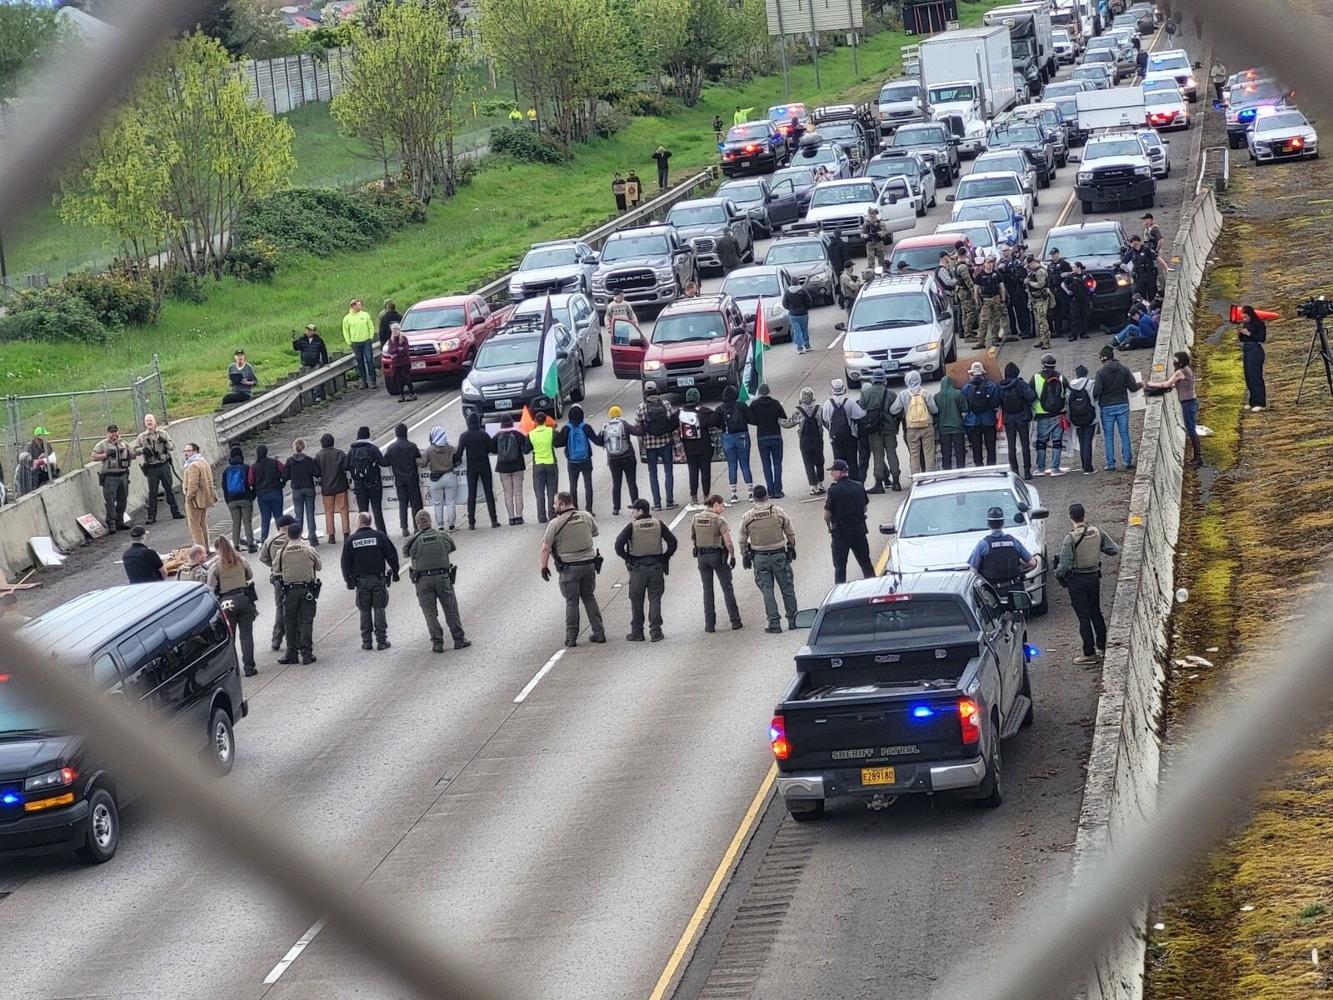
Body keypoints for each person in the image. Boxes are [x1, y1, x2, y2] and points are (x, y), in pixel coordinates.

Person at [1054, 503, 1120, 664]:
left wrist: (1057, 574)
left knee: (1083, 617)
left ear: (1071, 517)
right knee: (1096, 612)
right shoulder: (1097, 532)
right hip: (1093, 578)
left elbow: (1064, 565)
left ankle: (1089, 653)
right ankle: (1102, 646)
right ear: (1084, 515)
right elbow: (1113, 550)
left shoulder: (1070, 538)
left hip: (1077, 580)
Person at [539, 491, 606, 648]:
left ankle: (571, 637)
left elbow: (545, 548)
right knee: (589, 597)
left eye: (555, 503)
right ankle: (599, 632)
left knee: (572, 602)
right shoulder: (586, 516)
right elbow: (595, 533)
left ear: (562, 504)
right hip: (589, 564)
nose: (554, 506)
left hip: (569, 568)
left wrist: (544, 566)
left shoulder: (555, 523)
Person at [403, 510, 470, 653]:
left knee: (430, 613)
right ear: (430, 521)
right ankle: (458, 639)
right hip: (442, 578)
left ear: (417, 524)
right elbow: (451, 548)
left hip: (422, 581)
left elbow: (405, 552)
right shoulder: (442, 536)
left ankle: (437, 642)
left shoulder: (413, 541)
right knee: (451, 609)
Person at [614, 498, 678, 642]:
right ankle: (656, 631)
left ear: (640, 511)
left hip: (638, 568)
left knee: (637, 600)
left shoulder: (632, 526)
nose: (632, 513)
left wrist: (628, 558)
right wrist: (664, 557)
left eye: (634, 510)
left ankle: (637, 632)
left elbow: (618, 545)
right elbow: (672, 542)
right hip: (656, 566)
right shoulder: (658, 524)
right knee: (655, 599)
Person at [739, 485, 798, 634]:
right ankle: (793, 620)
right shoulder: (777, 512)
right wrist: (791, 546)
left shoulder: (748, 516)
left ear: (753, 497)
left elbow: (742, 538)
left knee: (767, 591)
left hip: (760, 557)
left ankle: (774, 622)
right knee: (787, 588)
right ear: (766, 496)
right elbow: (790, 531)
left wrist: (744, 554)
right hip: (779, 555)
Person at [342, 511, 400, 651]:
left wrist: (348, 581)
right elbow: (391, 554)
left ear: (359, 522)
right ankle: (381, 641)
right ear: (370, 522)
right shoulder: (379, 536)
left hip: (361, 581)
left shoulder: (351, 540)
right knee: (379, 608)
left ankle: (366, 641)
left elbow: (345, 563)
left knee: (364, 610)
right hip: (378, 579)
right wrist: (395, 572)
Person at [208, 536, 258, 677]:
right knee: (247, 635)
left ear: (217, 549)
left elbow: (210, 587)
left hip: (227, 603)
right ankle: (249, 667)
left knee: (230, 638)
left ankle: (233, 670)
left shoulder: (215, 566)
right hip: (244, 599)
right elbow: (250, 576)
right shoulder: (241, 560)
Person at [691, 495, 742, 632]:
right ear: (715, 505)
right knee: (727, 588)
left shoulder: (696, 518)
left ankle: (710, 625)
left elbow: (693, 537)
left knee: (707, 591)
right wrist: (732, 556)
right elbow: (728, 541)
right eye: (722, 505)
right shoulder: (719, 520)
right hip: (717, 556)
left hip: (702, 557)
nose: (723, 508)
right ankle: (735, 621)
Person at [274, 523, 321, 665]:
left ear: (288, 534)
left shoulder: (282, 552)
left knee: (290, 623)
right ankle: (307, 654)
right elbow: (319, 566)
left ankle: (292, 654)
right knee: (306, 622)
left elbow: (276, 569)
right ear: (301, 533)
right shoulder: (308, 549)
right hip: (307, 590)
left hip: (289, 592)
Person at [967, 505, 1036, 601]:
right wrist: (1019, 567)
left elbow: (973, 572)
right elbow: (1032, 563)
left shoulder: (983, 545)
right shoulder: (1014, 542)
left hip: (993, 594)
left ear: (988, 524)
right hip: (1015, 591)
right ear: (1003, 523)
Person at [1147, 350, 1203, 468]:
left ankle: (1198, 457)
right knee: (1191, 429)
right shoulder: (1188, 369)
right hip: (1191, 402)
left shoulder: (1180, 372)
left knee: (1191, 430)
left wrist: (1151, 384)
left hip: (1187, 403)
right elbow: (1177, 385)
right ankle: (1197, 457)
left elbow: (1166, 384)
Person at [824, 459, 875, 584]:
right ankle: (875, 586)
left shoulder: (833, 490)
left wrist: (829, 524)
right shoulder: (858, 486)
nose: (831, 474)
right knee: (865, 563)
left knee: (840, 567)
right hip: (859, 531)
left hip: (841, 533)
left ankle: (839, 594)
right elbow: (865, 507)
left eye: (833, 471)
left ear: (839, 473)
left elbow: (827, 514)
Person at [1093, 345, 1141, 471]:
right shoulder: (1124, 370)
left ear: (1103, 359)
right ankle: (1127, 461)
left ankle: (1110, 464)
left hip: (1106, 407)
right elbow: (1133, 388)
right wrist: (1141, 384)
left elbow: (1096, 392)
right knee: (1124, 434)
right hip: (1123, 405)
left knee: (1108, 436)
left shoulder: (1100, 373)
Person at [133, 414, 183, 524]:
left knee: (169, 489)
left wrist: (165, 441)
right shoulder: (141, 437)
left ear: (155, 421)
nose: (149, 423)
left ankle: (175, 512)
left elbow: (172, 447)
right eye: (147, 421)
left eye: (151, 420)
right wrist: (143, 450)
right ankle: (151, 516)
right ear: (144, 423)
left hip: (163, 465)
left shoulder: (163, 434)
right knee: (153, 492)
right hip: (151, 467)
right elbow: (134, 451)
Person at [637, 382, 678, 510]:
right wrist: (676, 443)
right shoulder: (666, 404)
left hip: (650, 445)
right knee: (668, 472)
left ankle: (657, 504)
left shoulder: (641, 408)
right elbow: (672, 425)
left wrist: (642, 447)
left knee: (653, 474)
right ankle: (670, 501)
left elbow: (639, 430)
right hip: (665, 442)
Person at [856, 370, 898, 493]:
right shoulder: (891, 394)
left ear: (873, 379)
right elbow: (897, 411)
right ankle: (896, 481)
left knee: (878, 456)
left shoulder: (866, 393)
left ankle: (879, 483)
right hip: (889, 428)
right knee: (892, 453)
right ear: (884, 379)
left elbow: (862, 409)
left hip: (874, 429)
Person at [458, 411, 500, 529]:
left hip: (471, 467)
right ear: (478, 422)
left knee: (472, 494)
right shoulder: (483, 435)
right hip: (484, 465)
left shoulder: (464, 436)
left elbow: (458, 454)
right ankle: (493, 520)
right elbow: (492, 449)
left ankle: (471, 522)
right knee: (488, 493)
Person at [260, 513, 296, 653]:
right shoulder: (293, 539)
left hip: (277, 578)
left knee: (280, 608)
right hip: (292, 578)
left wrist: (274, 566)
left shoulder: (270, 540)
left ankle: (276, 640)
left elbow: (262, 557)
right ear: (286, 527)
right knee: (294, 608)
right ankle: (294, 639)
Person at [892, 371, 938, 476]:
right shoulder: (925, 393)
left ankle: (916, 478)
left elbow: (893, 410)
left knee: (914, 455)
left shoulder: (903, 394)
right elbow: (934, 410)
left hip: (911, 428)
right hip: (927, 427)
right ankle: (931, 477)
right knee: (929, 454)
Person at [747, 382, 789, 499]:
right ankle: (778, 490)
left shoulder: (755, 404)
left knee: (766, 465)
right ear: (769, 392)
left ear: (760, 393)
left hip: (762, 436)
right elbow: (784, 418)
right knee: (777, 464)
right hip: (776, 435)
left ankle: (770, 491)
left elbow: (749, 418)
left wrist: (758, 422)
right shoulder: (776, 404)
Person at [674, 389, 716, 506]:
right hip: (704, 447)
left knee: (693, 472)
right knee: (705, 471)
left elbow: (670, 425)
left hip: (689, 448)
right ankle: (706, 496)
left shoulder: (680, 413)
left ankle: (694, 497)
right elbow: (714, 422)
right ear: (698, 398)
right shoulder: (704, 412)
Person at [1031, 353, 1070, 476]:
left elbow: (1030, 395)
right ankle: (1055, 468)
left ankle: (1041, 469)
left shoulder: (1036, 377)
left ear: (1043, 364)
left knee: (1041, 442)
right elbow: (1068, 394)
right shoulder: (1061, 377)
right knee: (1057, 441)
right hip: (1059, 414)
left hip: (1042, 415)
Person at [557, 404, 601, 511]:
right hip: (586, 460)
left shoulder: (566, 428)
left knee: (573, 486)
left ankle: (574, 508)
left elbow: (559, 443)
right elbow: (597, 441)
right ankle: (589, 509)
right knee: (588, 485)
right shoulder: (586, 427)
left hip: (572, 462)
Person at [91, 423, 133, 533]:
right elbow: (93, 457)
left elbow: (133, 454)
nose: (113, 434)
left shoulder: (123, 443)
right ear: (107, 433)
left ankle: (120, 522)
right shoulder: (102, 444)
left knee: (122, 500)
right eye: (111, 432)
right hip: (110, 477)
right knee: (110, 501)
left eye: (115, 431)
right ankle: (111, 524)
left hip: (123, 475)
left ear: (118, 432)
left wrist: (131, 453)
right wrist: (105, 455)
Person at [784, 387, 825, 495]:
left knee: (809, 463)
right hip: (818, 440)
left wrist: (778, 420)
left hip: (804, 440)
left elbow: (789, 424)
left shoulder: (798, 410)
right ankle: (821, 484)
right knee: (820, 462)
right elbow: (826, 422)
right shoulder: (819, 409)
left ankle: (815, 487)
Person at [996, 361, 1034, 478]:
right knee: (1025, 445)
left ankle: (1015, 471)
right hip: (1022, 417)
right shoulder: (1020, 384)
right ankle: (1027, 471)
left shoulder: (999, 386)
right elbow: (1031, 397)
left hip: (1008, 419)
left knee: (1011, 446)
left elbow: (996, 402)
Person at [715, 385, 752, 504]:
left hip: (727, 437)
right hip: (742, 436)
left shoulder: (721, 409)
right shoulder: (741, 406)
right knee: (745, 464)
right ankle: (750, 492)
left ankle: (734, 494)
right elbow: (752, 418)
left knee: (732, 465)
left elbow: (712, 422)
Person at [822, 378, 865, 476]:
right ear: (843, 389)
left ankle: (841, 482)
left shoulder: (827, 403)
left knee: (839, 462)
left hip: (835, 438)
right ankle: (854, 482)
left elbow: (825, 419)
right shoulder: (849, 402)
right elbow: (860, 415)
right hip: (850, 436)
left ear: (832, 390)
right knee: (852, 462)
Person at [494, 414, 532, 525]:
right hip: (517, 466)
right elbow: (526, 448)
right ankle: (519, 517)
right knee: (518, 492)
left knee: (507, 493)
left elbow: (492, 448)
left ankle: (511, 518)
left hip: (503, 468)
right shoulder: (518, 433)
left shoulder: (498, 435)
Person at [602, 405, 640, 515]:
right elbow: (637, 431)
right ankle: (635, 505)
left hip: (613, 459)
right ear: (620, 414)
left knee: (616, 483)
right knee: (631, 482)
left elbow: (600, 441)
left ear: (610, 415)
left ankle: (616, 508)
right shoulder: (624, 424)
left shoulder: (606, 427)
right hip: (628, 457)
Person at [963, 361, 1002, 468]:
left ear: (972, 375)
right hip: (989, 421)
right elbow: (995, 403)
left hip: (973, 422)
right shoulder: (991, 386)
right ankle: (992, 467)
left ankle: (979, 467)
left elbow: (965, 406)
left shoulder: (966, 388)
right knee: (990, 447)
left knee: (976, 447)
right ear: (983, 373)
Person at [320, 432, 357, 541]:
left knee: (329, 512)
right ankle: (346, 533)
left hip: (326, 488)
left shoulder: (319, 455)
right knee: (343, 510)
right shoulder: (339, 453)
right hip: (340, 485)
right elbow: (346, 466)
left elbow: (317, 471)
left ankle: (331, 535)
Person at [425, 426, 462, 530]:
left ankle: (440, 525)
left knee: (437, 504)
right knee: (451, 502)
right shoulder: (450, 448)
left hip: (435, 479)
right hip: (450, 476)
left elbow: (422, 463)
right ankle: (451, 524)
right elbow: (458, 461)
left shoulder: (429, 450)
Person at [181, 441, 216, 549]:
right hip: (205, 498)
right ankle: (206, 548)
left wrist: (188, 498)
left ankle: (200, 550)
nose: (186, 453)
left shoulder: (193, 465)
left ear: (195, 451)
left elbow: (193, 484)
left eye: (188, 451)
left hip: (195, 500)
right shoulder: (203, 462)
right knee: (203, 524)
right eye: (185, 451)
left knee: (195, 526)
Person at [285, 438, 320, 546]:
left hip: (296, 489)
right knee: (310, 514)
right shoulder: (309, 460)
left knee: (298, 515)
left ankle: (297, 537)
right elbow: (317, 473)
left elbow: (285, 475)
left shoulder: (290, 461)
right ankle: (312, 537)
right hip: (309, 488)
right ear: (303, 447)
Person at [222, 446, 256, 553]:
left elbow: (224, 486)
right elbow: (251, 481)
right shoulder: (246, 467)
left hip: (232, 500)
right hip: (245, 498)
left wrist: (228, 500)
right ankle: (250, 545)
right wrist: (252, 495)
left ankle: (235, 546)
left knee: (236, 523)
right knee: (247, 522)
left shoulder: (226, 470)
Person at [250, 444, 286, 543]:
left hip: (262, 494)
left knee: (265, 518)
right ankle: (283, 536)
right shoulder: (274, 462)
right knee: (279, 516)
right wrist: (282, 482)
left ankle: (264, 539)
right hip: (276, 491)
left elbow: (250, 481)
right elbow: (284, 470)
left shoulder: (254, 467)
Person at [1067, 363, 1099, 475]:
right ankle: (1088, 467)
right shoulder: (1091, 383)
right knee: (1088, 442)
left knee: (1081, 442)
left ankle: (1083, 465)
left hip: (1076, 417)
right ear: (1086, 373)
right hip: (1090, 416)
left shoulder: (1071, 385)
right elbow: (1096, 397)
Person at [529, 410, 560, 522]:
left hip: (538, 464)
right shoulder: (551, 432)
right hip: (551, 463)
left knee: (539, 492)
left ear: (535, 422)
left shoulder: (531, 434)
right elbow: (558, 442)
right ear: (545, 421)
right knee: (552, 491)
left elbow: (526, 449)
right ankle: (552, 514)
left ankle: (541, 516)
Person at [1237, 304, 1267, 411]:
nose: (1244, 319)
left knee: (1256, 376)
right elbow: (1242, 339)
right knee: (1249, 376)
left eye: (1246, 317)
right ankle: (1253, 401)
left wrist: (1249, 334)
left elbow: (1262, 338)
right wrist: (1241, 333)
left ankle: (1260, 402)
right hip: (1247, 350)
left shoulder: (1259, 324)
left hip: (1255, 350)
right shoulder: (1246, 324)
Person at [342, 299, 378, 390]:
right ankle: (364, 381)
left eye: (360, 305)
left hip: (366, 341)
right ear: (353, 306)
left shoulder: (365, 315)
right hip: (355, 342)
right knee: (360, 362)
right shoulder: (347, 318)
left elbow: (370, 326)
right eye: (358, 305)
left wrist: (370, 337)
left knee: (369, 360)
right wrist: (349, 342)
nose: (360, 306)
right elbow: (345, 331)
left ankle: (373, 381)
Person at [974, 257, 1008, 350]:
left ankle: (994, 339)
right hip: (986, 300)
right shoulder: (979, 276)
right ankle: (981, 341)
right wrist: (977, 302)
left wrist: (1003, 300)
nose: (990, 264)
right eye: (988, 262)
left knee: (996, 320)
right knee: (984, 321)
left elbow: (1001, 287)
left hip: (996, 298)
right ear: (984, 264)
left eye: (991, 263)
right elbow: (976, 290)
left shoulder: (997, 274)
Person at [935, 374, 968, 471]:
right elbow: (965, 408)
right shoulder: (958, 393)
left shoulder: (937, 396)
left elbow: (934, 412)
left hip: (943, 429)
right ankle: (961, 471)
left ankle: (947, 472)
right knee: (960, 452)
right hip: (957, 427)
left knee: (946, 453)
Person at [1025, 256, 1055, 350]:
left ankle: (1046, 342)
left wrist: (1030, 283)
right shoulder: (1033, 272)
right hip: (1035, 299)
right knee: (1038, 320)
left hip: (1041, 299)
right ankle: (1042, 339)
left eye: (1029, 265)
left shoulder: (1040, 271)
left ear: (1033, 262)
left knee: (1042, 320)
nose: (1029, 267)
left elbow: (1040, 284)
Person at [384, 323, 418, 402]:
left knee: (405, 377)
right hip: (396, 363)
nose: (395, 331)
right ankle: (401, 395)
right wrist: (398, 349)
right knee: (398, 379)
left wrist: (397, 351)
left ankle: (412, 393)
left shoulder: (403, 338)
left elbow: (406, 349)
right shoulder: (391, 340)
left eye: (397, 329)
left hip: (405, 362)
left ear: (399, 330)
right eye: (393, 330)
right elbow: (390, 351)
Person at [953, 247, 979, 341]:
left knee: (965, 312)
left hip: (960, 291)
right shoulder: (962, 266)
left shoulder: (957, 264)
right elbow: (967, 280)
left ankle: (967, 331)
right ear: (964, 254)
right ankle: (968, 334)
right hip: (965, 292)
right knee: (971, 312)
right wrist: (974, 290)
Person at [1064, 262, 1093, 341]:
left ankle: (1083, 333)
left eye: (1074, 267)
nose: (1072, 269)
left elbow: (1093, 282)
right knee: (1075, 317)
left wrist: (1091, 288)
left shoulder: (1086, 275)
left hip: (1084, 298)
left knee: (1084, 315)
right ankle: (1073, 334)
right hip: (1074, 299)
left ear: (1079, 267)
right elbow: (1063, 284)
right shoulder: (1071, 276)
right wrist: (1067, 291)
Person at [784, 280, 813, 353]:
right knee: (804, 329)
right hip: (803, 313)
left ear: (791, 282)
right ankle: (807, 345)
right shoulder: (803, 290)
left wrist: (790, 308)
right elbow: (809, 300)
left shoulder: (787, 292)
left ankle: (799, 348)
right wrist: (806, 308)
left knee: (796, 331)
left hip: (793, 314)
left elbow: (784, 303)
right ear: (798, 282)